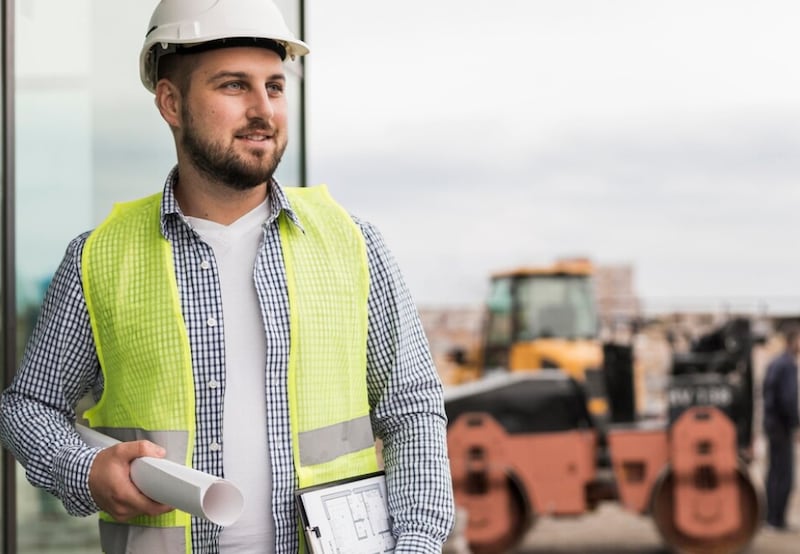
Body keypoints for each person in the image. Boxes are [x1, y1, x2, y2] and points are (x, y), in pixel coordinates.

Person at [0, 0, 455, 552]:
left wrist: (417, 544)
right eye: (234, 86)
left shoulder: (355, 246)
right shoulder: (98, 259)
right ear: (171, 102)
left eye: (276, 86)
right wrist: (86, 470)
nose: (264, 109)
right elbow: (28, 408)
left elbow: (412, 410)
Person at [763, 324, 800, 531]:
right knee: (784, 473)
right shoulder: (787, 365)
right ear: (792, 341)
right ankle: (777, 519)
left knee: (774, 471)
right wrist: (796, 424)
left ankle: (772, 517)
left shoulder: (776, 363)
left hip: (773, 424)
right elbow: (788, 399)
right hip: (781, 426)